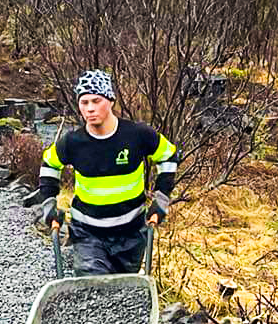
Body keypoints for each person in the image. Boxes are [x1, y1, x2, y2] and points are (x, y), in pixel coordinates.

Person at [36, 69, 179, 269]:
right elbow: (49, 164)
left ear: (110, 101)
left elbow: (168, 155)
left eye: (96, 101)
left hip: (131, 233)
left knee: (124, 287)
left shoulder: (137, 135)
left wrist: (161, 200)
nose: (90, 109)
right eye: (84, 102)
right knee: (93, 283)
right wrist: (49, 205)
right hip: (87, 234)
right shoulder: (72, 142)